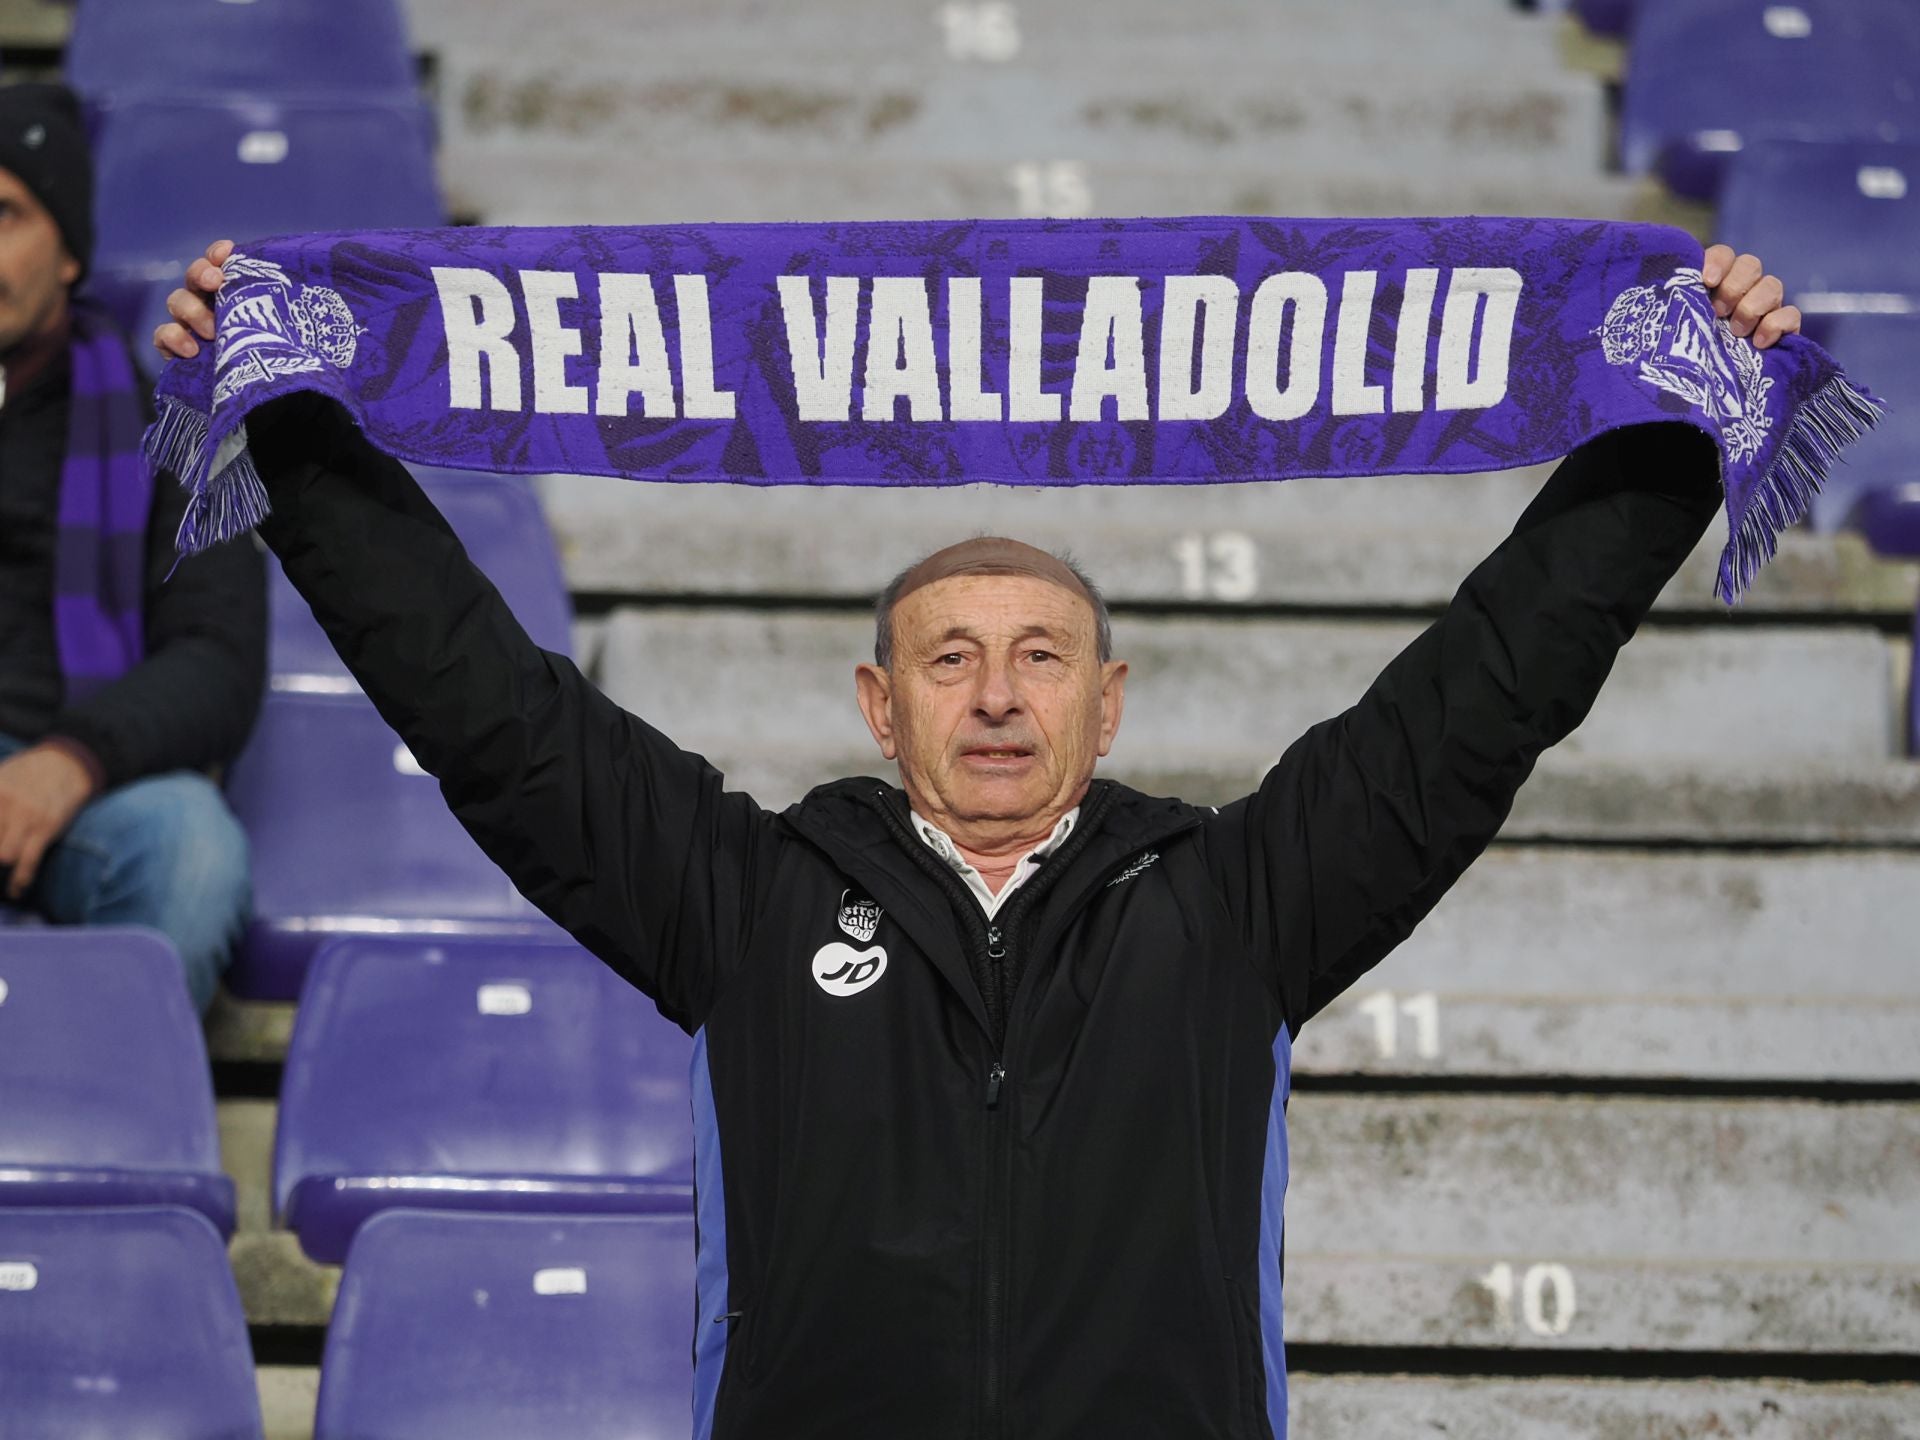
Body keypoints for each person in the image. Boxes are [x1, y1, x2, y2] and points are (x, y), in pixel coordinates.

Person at [160, 238, 1797, 1439]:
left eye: (1041, 659)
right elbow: (488, 712)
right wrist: (295, 428)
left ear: (1111, 703)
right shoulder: (741, 896)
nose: (998, 698)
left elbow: (1484, 691)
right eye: (952, 658)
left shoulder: (1234, 907)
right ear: (882, 705)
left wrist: (1669, 432)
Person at [0, 89, 264, 1014]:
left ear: (70, 252)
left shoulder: (171, 424)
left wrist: (66, 764)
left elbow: (220, 658)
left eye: (6, 215)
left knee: (192, 854)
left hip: (75, 772)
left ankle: (104, 1133)